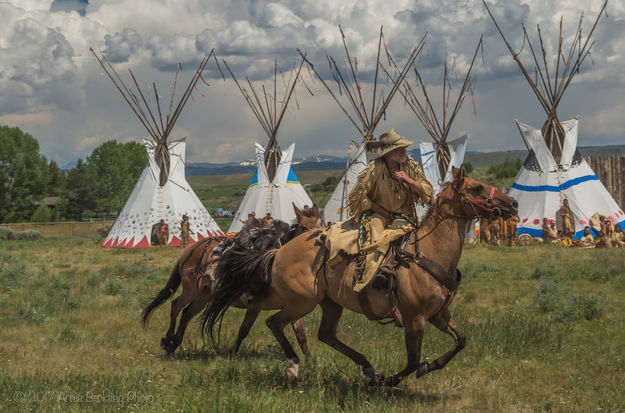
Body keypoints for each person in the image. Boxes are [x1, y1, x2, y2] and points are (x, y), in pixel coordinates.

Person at [324, 129, 433, 292]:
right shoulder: (375, 169)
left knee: (411, 241)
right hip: (377, 215)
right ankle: (372, 274)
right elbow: (359, 197)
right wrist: (380, 210)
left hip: (403, 217)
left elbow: (427, 191)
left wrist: (408, 180)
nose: (404, 150)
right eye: (399, 148)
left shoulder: (409, 166)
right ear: (389, 154)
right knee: (376, 238)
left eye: (404, 147)